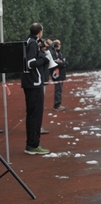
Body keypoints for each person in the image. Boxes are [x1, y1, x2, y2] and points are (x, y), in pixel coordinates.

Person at [21, 23, 50, 155]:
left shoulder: (31, 41)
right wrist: (43, 60)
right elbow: (30, 63)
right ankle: (33, 145)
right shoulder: (32, 43)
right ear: (40, 32)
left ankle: (32, 144)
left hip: (31, 83)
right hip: (33, 83)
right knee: (35, 115)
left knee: (33, 114)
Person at [50, 39, 68, 112]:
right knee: (58, 89)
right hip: (57, 74)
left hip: (61, 73)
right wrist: (63, 64)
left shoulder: (59, 53)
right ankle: (56, 105)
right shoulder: (52, 52)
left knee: (59, 89)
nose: (58, 45)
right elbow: (55, 63)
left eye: (59, 44)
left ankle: (58, 104)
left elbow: (64, 62)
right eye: (56, 43)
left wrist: (63, 63)